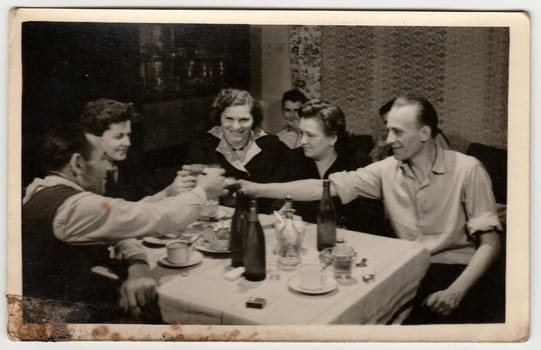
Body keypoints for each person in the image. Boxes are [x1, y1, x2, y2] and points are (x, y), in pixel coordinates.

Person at [238, 95, 502, 323]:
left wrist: (456, 291)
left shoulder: (469, 169)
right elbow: (323, 187)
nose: (388, 140)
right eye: (388, 131)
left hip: (459, 273)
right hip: (411, 269)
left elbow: (490, 243)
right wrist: (256, 189)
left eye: (397, 132)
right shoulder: (386, 169)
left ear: (424, 133)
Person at [22, 123, 225, 323]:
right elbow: (156, 216)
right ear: (77, 163)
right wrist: (203, 191)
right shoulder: (74, 207)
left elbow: (122, 222)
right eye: (103, 158)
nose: (109, 168)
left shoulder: (42, 190)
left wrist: (138, 264)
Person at [284, 99, 386, 234]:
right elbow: (281, 206)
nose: (303, 141)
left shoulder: (357, 163)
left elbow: (372, 223)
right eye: (302, 133)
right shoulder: (292, 159)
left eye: (310, 135)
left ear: (333, 138)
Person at [186, 88, 289, 212]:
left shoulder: (272, 145)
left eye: (244, 120)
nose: (236, 126)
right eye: (229, 119)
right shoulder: (204, 144)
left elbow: (283, 194)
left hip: (261, 221)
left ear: (253, 120)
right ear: (220, 118)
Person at [81, 98, 193, 201]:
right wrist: (167, 193)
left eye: (128, 135)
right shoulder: (83, 174)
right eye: (118, 137)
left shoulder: (129, 160)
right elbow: (118, 214)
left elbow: (143, 199)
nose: (127, 143)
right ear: (94, 138)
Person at [370, 97, 451, 162]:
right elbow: (377, 161)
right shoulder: (388, 137)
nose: (389, 126)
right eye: (386, 122)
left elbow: (445, 165)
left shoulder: (434, 136)